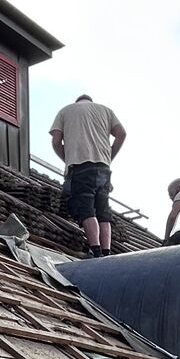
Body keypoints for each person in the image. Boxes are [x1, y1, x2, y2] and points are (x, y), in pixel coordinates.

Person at [49, 94, 127, 258]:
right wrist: (108, 157)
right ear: (90, 101)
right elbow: (121, 134)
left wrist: (68, 159)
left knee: (86, 209)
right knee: (103, 211)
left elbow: (56, 141)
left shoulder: (65, 111)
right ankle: (106, 252)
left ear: (77, 101)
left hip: (81, 167)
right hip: (104, 169)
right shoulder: (106, 111)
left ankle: (96, 249)